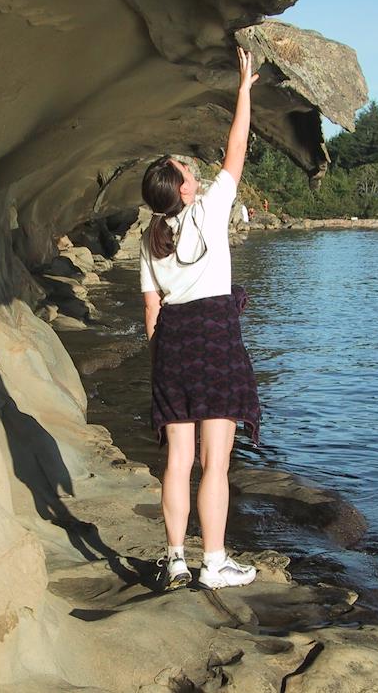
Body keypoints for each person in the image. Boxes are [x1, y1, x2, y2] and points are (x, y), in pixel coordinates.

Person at [139, 47, 261, 591]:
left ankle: (175, 560)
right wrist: (243, 90)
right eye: (186, 171)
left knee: (178, 459)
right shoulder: (210, 212)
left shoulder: (149, 238)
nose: (191, 170)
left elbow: (151, 308)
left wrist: (160, 359)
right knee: (216, 462)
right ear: (184, 188)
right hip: (215, 337)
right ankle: (213, 563)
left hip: (173, 343)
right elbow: (237, 148)